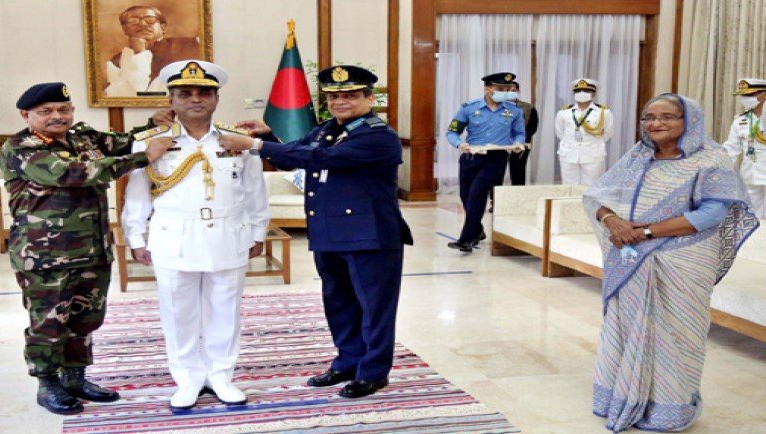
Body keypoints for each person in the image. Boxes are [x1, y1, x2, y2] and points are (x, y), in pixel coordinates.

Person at [220, 65, 413, 399]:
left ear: (370, 97)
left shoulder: (378, 135)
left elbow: (323, 159)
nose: (340, 102)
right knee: (338, 303)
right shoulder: (327, 129)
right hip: (330, 231)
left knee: (374, 308)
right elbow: (293, 160)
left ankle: (373, 372)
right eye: (334, 96)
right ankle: (347, 361)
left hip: (371, 236)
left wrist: (254, 145)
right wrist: (267, 136)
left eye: (350, 95)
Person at [583, 94, 758, 432]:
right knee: (623, 328)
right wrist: (612, 220)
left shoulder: (711, 159)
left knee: (678, 333)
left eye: (668, 116)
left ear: (688, 120)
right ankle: (618, 397)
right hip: (632, 257)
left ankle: (667, 407)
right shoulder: (638, 155)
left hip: (683, 259)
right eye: (649, 117)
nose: (656, 123)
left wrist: (645, 231)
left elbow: (711, 213)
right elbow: (595, 195)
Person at [0, 82, 173, 415]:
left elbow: (119, 141)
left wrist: (152, 123)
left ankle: (75, 378)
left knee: (85, 319)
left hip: (92, 250)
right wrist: (142, 158)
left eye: (63, 109)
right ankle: (48, 384)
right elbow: (75, 174)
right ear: (26, 115)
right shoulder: (22, 147)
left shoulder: (82, 136)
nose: (57, 116)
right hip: (45, 256)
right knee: (49, 324)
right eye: (46, 111)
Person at [122, 60, 269, 410]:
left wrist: (258, 231)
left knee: (225, 309)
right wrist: (137, 238)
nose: (195, 99)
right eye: (184, 93)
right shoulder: (151, 142)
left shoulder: (238, 140)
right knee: (178, 310)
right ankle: (187, 378)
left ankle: (221, 376)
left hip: (227, 234)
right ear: (171, 99)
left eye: (204, 92)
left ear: (216, 98)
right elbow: (137, 194)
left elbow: (254, 191)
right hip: (173, 236)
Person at [445, 72, 526, 252]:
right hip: (471, 156)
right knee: (466, 197)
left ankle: (466, 240)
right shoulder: (469, 108)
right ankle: (477, 229)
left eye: (507, 89)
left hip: (496, 158)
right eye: (500, 89)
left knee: (477, 194)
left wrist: (519, 143)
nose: (504, 92)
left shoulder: (514, 111)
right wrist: (460, 144)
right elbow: (452, 132)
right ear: (488, 88)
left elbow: (519, 133)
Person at [105, 6, 200, 97]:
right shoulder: (116, 62)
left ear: (162, 27)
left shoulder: (192, 44)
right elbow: (128, 96)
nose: (142, 24)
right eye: (133, 21)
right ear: (125, 29)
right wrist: (139, 53)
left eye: (150, 20)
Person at [555, 78, 615, 186]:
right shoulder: (564, 112)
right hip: (569, 153)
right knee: (569, 187)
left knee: (591, 187)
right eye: (578, 91)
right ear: (574, 94)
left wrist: (593, 142)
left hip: (592, 155)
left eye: (586, 91)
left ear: (593, 93)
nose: (581, 93)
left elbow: (608, 133)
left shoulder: (604, 112)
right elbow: (560, 132)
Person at [723, 78, 766, 218]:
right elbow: (731, 149)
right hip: (750, 175)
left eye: (749, 95)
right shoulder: (740, 121)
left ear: (762, 95)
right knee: (751, 217)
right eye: (743, 95)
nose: (744, 99)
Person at [505, 80, 539, 185]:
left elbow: (532, 127)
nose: (511, 92)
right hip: (498, 144)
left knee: (518, 173)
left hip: (520, 145)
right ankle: (495, 198)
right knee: (496, 174)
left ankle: (518, 197)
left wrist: (520, 140)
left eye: (513, 90)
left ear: (518, 91)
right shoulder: (495, 106)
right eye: (507, 90)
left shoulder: (528, 108)